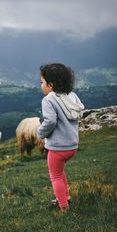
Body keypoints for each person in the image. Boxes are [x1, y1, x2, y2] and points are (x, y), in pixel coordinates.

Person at [37, 63, 84, 212]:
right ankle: (66, 197)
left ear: (50, 85)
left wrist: (40, 132)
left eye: (42, 82)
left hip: (57, 147)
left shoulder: (48, 100)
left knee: (55, 176)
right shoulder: (72, 95)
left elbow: (50, 121)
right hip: (72, 146)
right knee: (60, 172)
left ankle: (63, 207)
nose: (41, 85)